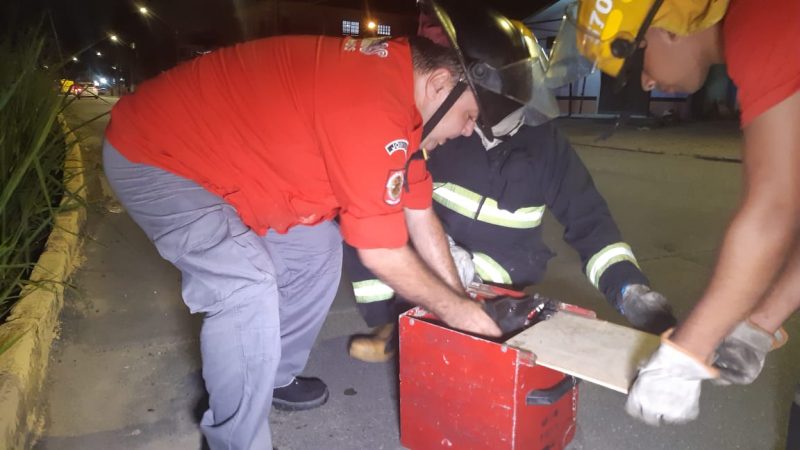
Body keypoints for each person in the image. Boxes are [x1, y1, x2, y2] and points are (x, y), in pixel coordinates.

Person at [101, 0, 548, 447]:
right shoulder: (369, 102)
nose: (469, 131)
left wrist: (460, 297)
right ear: (440, 82)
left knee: (317, 252)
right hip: (156, 158)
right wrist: (459, 314)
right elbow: (381, 252)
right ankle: (235, 436)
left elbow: (419, 212)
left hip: (228, 168)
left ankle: (267, 378)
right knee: (243, 286)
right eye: (471, 116)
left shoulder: (399, 96)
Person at [545, 0, 799, 427]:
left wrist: (686, 354)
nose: (644, 84)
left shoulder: (763, 19)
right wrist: (760, 322)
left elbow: (773, 210)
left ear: (670, 29)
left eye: (638, 65)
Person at [346, 119, 677, 362]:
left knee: (484, 329)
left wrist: (630, 290)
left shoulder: (545, 143)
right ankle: (390, 323)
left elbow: (589, 220)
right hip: (434, 252)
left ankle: (472, 330)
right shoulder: (448, 125)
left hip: (501, 271)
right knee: (367, 227)